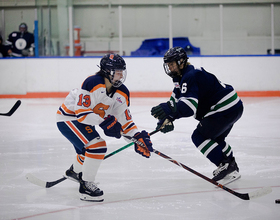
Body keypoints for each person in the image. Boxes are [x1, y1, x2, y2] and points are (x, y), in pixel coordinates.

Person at [56, 53, 153, 202]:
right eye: (117, 71)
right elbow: (81, 114)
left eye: (122, 71)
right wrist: (104, 122)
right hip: (69, 118)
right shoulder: (92, 83)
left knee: (88, 152)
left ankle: (74, 172)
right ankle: (86, 186)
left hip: (85, 121)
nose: (121, 75)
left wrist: (137, 137)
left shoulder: (123, 93)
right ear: (107, 71)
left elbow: (125, 122)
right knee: (97, 146)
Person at [150, 46, 243, 184]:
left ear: (181, 62)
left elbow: (188, 108)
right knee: (214, 138)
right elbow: (174, 101)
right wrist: (166, 119)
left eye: (172, 64)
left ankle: (225, 165)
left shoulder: (189, 76)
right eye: (168, 65)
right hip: (233, 106)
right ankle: (231, 166)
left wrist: (169, 110)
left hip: (223, 108)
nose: (169, 67)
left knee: (199, 136)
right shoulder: (181, 77)